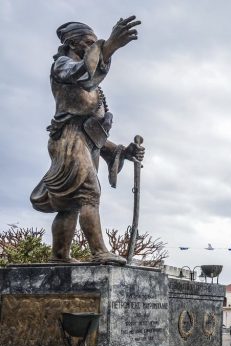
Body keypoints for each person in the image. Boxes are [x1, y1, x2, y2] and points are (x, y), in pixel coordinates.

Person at [30, 18, 145, 264]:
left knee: (70, 204)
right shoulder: (62, 65)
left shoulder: (90, 85)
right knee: (88, 193)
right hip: (69, 140)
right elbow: (83, 75)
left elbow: (93, 131)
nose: (95, 46)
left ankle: (59, 256)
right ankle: (99, 252)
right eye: (89, 42)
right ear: (73, 42)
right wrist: (110, 46)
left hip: (84, 141)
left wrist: (123, 151)